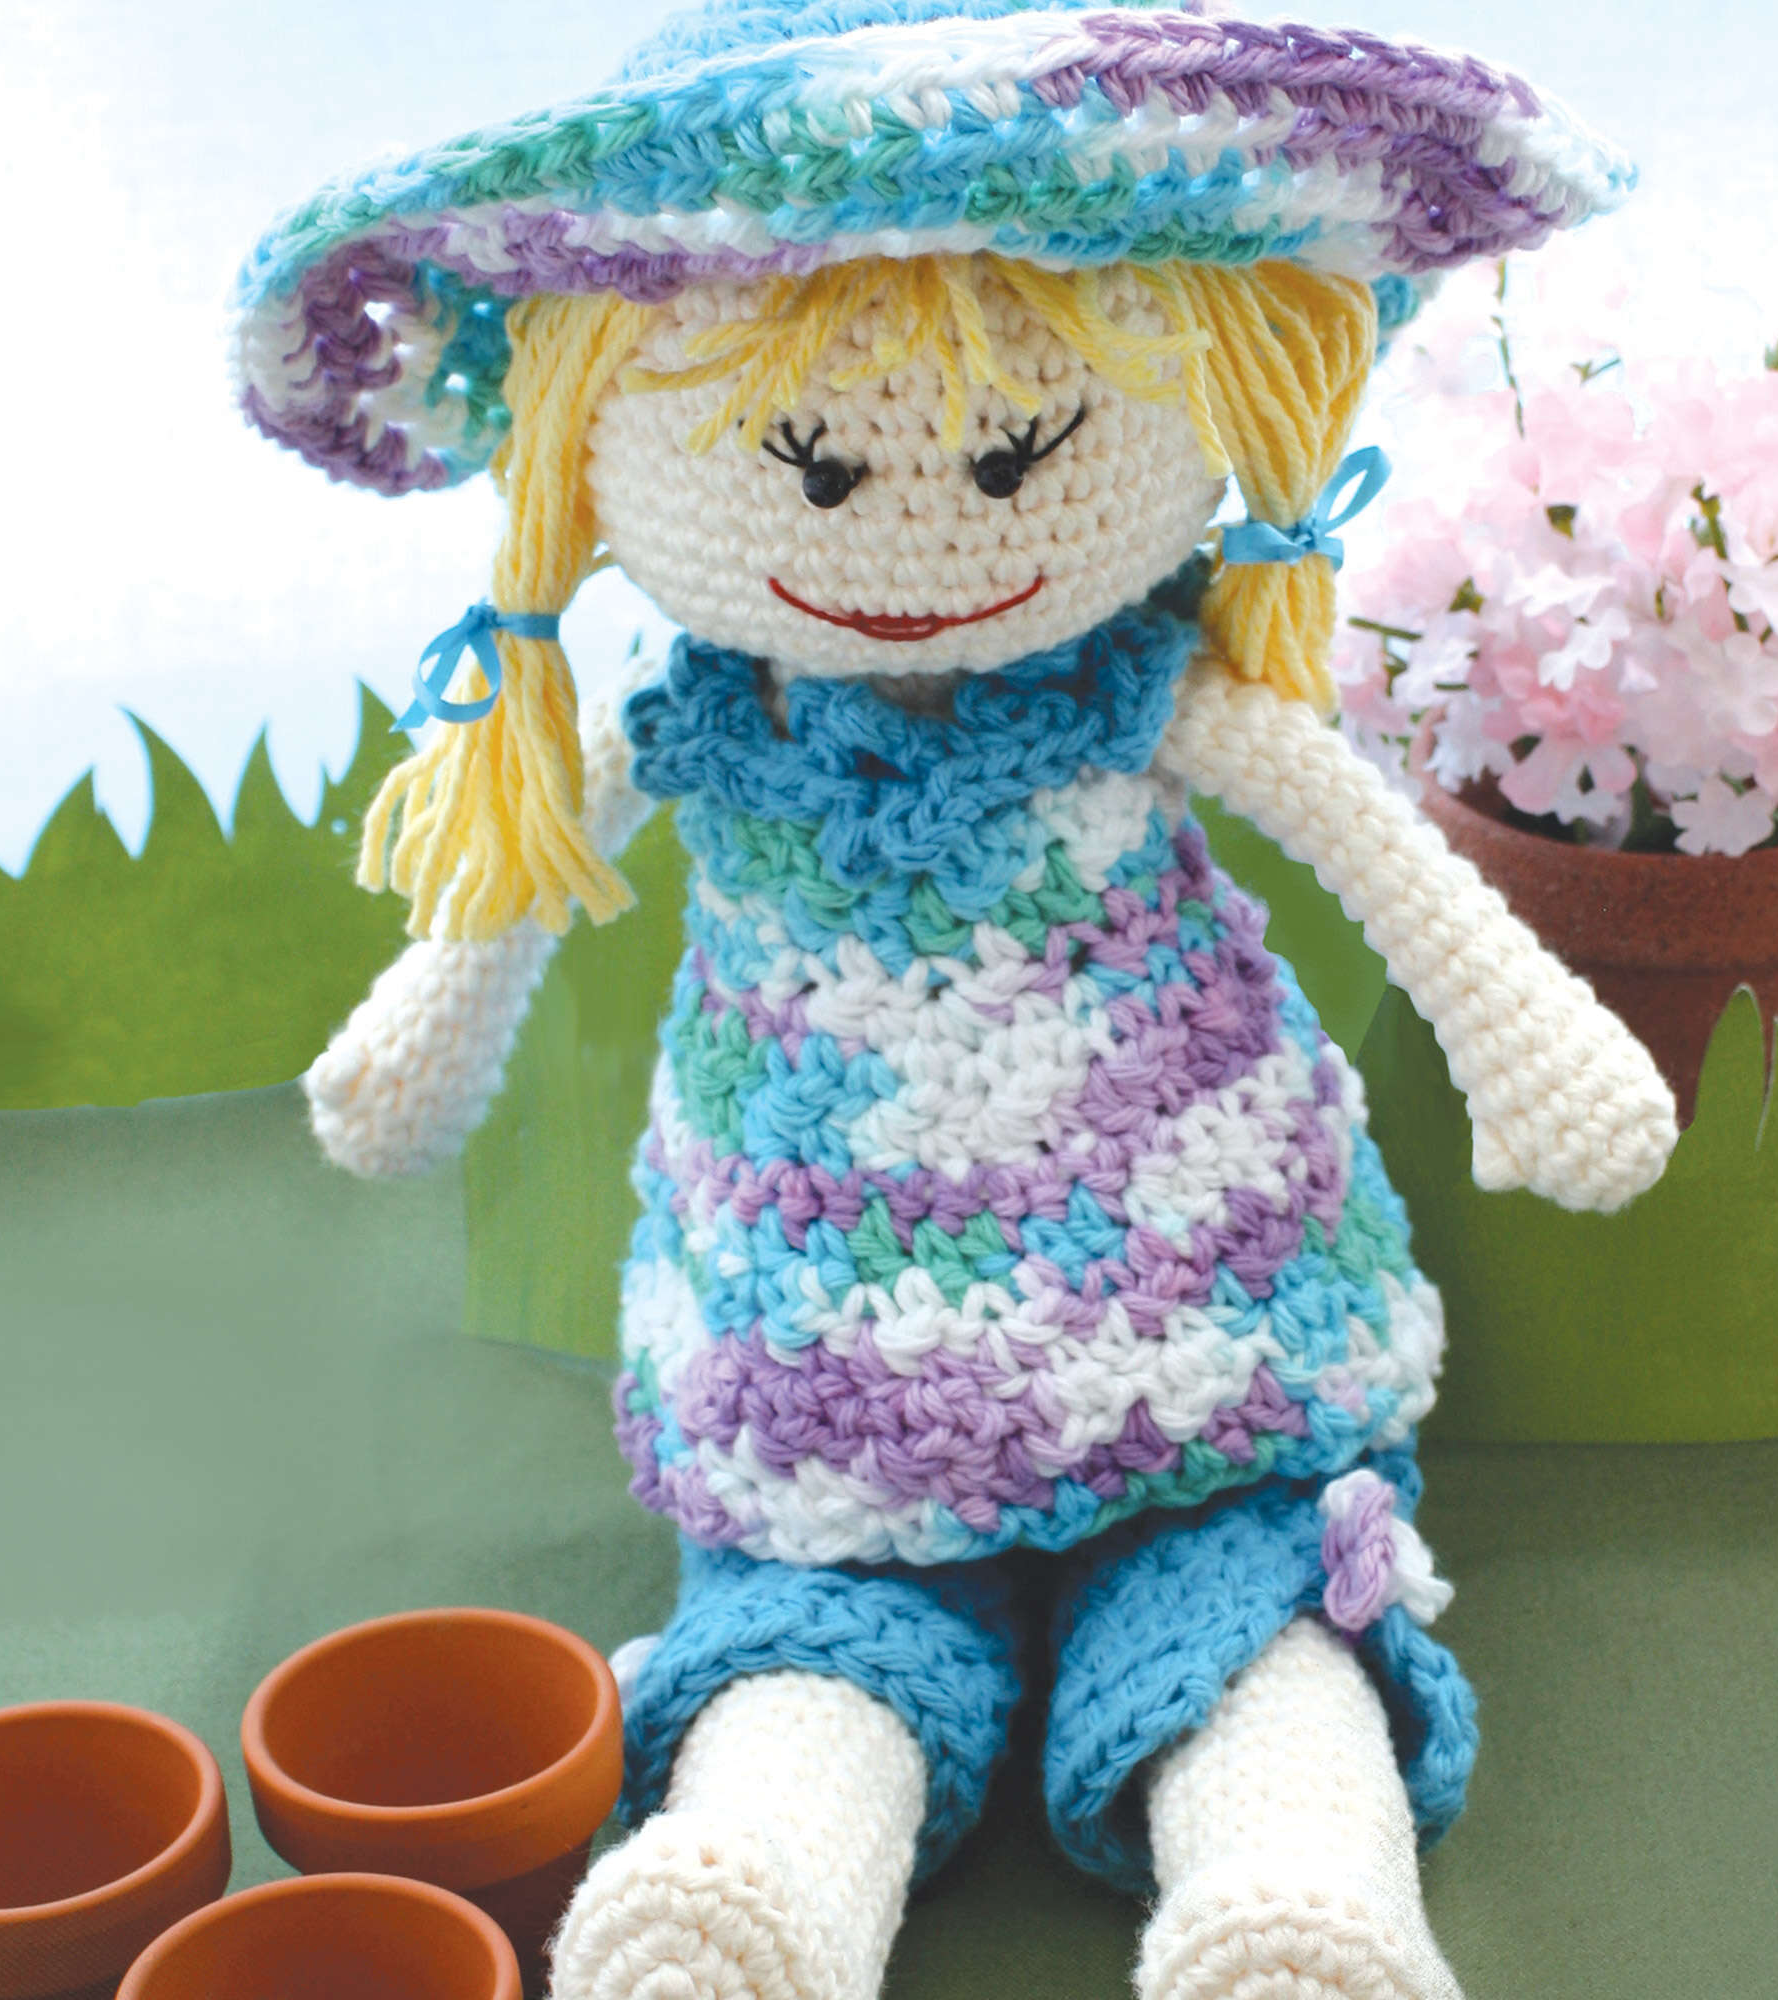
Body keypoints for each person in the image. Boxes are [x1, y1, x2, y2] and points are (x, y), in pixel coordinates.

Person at [236, 7, 1676, 1995]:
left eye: (1017, 456)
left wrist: (1531, 1040)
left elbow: (1381, 856)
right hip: (822, 1355)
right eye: (809, 464)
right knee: (813, 1648)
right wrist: (421, 1036)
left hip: (1195, 1328)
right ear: (588, 434)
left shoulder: (1145, 694)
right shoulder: (698, 733)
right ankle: (759, 1889)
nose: (913, 536)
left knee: (1253, 1617)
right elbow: (496, 897)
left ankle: (1300, 1896)